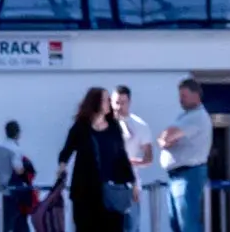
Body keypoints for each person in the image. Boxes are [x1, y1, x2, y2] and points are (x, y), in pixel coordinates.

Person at [57, 88, 137, 232]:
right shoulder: (81, 127)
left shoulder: (114, 127)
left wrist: (132, 182)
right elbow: (66, 151)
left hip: (111, 191)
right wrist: (61, 168)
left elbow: (122, 156)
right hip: (85, 191)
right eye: (106, 100)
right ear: (96, 103)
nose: (110, 103)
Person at [159, 80, 212, 232]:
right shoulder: (184, 116)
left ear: (196, 95)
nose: (180, 99)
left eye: (184, 95)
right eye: (180, 95)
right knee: (177, 224)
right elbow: (164, 136)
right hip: (177, 176)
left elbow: (167, 137)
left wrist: (167, 139)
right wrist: (166, 138)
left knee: (188, 224)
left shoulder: (197, 117)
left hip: (188, 175)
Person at [114, 86, 163, 232]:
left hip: (129, 185)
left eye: (123, 103)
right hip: (105, 185)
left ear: (129, 102)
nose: (119, 107)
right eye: (116, 102)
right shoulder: (103, 125)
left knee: (131, 226)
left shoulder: (140, 126)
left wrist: (129, 162)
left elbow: (148, 158)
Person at [0, 122, 33, 232]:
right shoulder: (15, 149)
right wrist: (26, 172)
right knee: (17, 222)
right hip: (12, 191)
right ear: (17, 133)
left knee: (5, 223)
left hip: (0, 189)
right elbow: (18, 170)